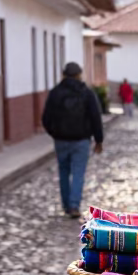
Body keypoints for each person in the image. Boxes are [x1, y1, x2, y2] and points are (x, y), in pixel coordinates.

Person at [42, 62, 104, 218]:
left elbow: (46, 118)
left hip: (61, 140)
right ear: (79, 75)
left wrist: (54, 133)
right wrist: (98, 140)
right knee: (78, 173)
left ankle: (66, 205)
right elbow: (95, 117)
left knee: (63, 172)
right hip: (81, 140)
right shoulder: (87, 93)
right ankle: (74, 205)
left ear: (64, 74)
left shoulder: (55, 93)